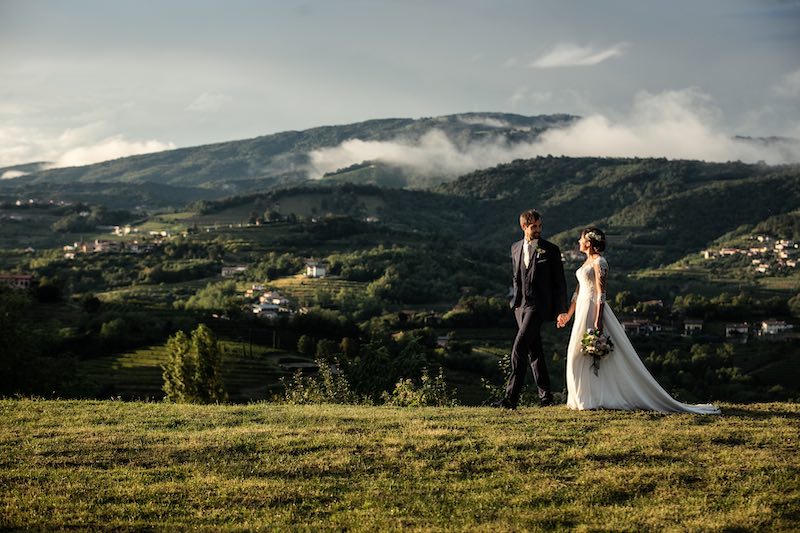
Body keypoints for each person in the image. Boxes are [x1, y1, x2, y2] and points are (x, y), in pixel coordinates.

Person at [557, 227, 720, 414]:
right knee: (576, 355)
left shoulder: (600, 262)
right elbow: (578, 292)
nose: (578, 242)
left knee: (589, 355)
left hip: (593, 311)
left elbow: (601, 294)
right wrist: (568, 315)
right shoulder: (587, 261)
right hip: (581, 312)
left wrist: (598, 322)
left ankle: (592, 398)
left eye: (581, 239)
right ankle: (583, 397)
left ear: (589, 242)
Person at [494, 209, 567, 409]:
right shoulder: (515, 247)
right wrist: (515, 303)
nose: (538, 230)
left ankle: (511, 398)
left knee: (519, 348)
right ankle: (546, 397)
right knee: (534, 351)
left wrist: (561, 309)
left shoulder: (550, 249)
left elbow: (560, 283)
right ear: (524, 226)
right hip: (520, 307)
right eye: (534, 226)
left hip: (538, 306)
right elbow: (516, 276)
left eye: (540, 226)